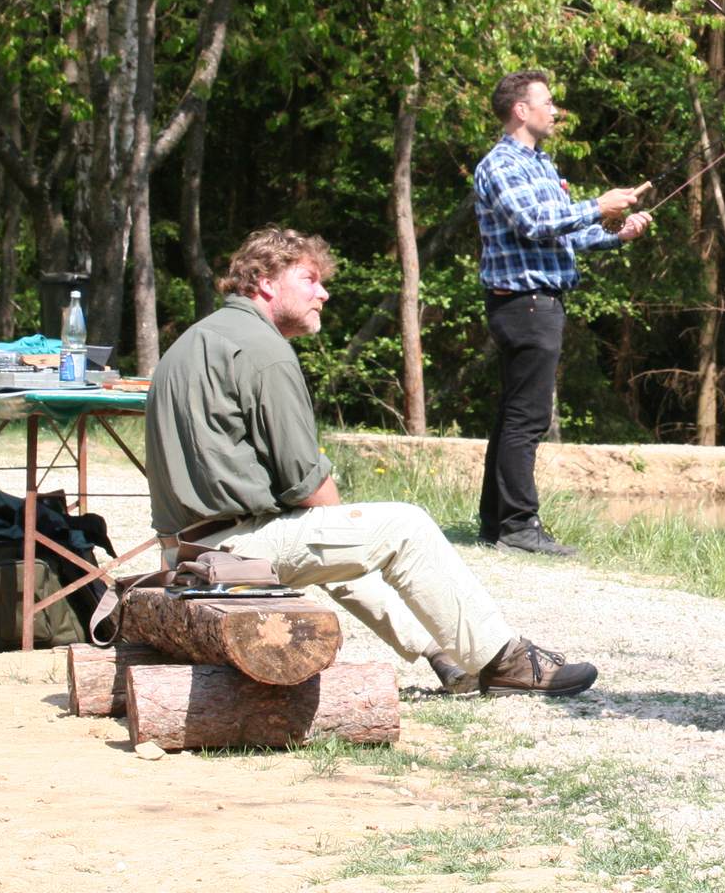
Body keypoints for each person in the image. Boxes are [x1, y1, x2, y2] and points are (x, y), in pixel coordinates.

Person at [144, 226, 596, 696]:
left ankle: (446, 658)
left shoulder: (191, 343)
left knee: (332, 537)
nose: (324, 292)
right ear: (265, 281)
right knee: (404, 525)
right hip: (231, 552)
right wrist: (349, 524)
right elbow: (308, 486)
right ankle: (507, 662)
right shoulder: (265, 352)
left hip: (184, 550)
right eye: (310, 278)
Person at [474, 69, 653, 557]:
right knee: (528, 418)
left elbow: (566, 236)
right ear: (520, 110)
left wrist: (616, 233)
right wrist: (597, 205)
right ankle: (518, 527)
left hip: (542, 301)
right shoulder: (501, 165)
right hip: (523, 304)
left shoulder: (542, 166)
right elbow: (532, 223)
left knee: (514, 414)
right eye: (548, 102)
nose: (555, 110)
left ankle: (496, 522)